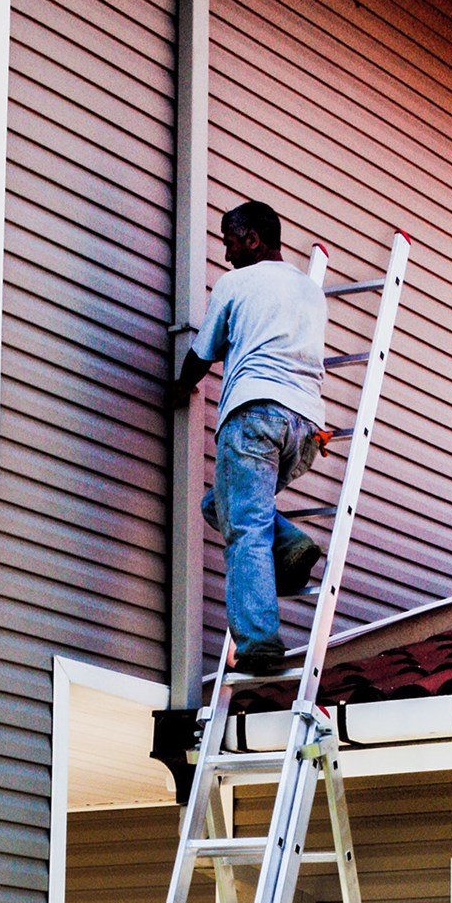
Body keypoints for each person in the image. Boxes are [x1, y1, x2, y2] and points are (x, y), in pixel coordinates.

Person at [171, 200, 327, 676]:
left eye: (231, 241)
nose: (226, 253)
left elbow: (203, 354)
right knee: (220, 506)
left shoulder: (237, 283)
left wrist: (177, 390)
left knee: (245, 530)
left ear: (254, 239)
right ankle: (291, 544)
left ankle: (259, 642)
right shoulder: (309, 290)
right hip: (305, 429)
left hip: (255, 417)